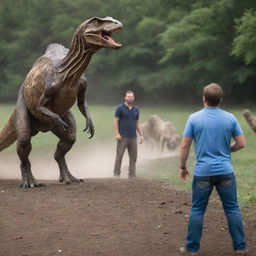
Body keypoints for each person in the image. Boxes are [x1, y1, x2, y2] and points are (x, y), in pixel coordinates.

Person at [178, 83, 247, 255]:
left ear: (203, 99)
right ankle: (240, 247)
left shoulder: (194, 118)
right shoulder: (230, 118)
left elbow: (185, 147)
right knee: (232, 209)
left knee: (197, 209)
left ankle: (192, 248)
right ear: (220, 99)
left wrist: (182, 167)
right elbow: (242, 143)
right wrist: (227, 149)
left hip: (203, 173)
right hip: (225, 172)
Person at [113, 90, 144, 178]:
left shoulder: (136, 109)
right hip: (122, 136)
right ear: (125, 98)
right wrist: (117, 133)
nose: (130, 98)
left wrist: (141, 135)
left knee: (133, 157)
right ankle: (116, 174)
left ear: (133, 98)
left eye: (131, 97)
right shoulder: (120, 108)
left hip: (133, 137)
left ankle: (132, 175)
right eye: (128, 96)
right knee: (119, 156)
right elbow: (115, 121)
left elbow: (137, 123)